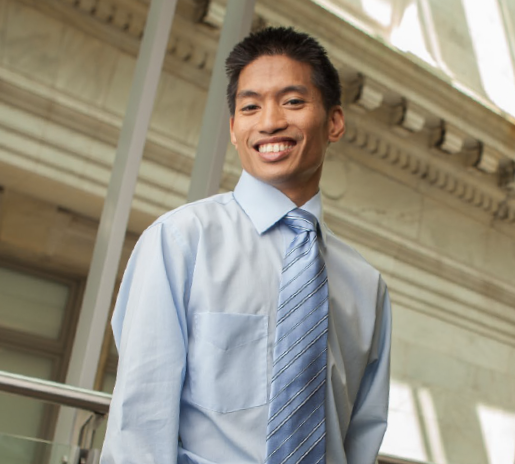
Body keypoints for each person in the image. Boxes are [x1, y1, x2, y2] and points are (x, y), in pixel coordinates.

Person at [100, 26, 392, 464]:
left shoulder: (366, 287)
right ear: (235, 129)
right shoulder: (180, 242)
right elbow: (141, 419)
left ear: (334, 122)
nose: (271, 121)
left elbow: (363, 436)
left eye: (293, 101)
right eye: (251, 107)